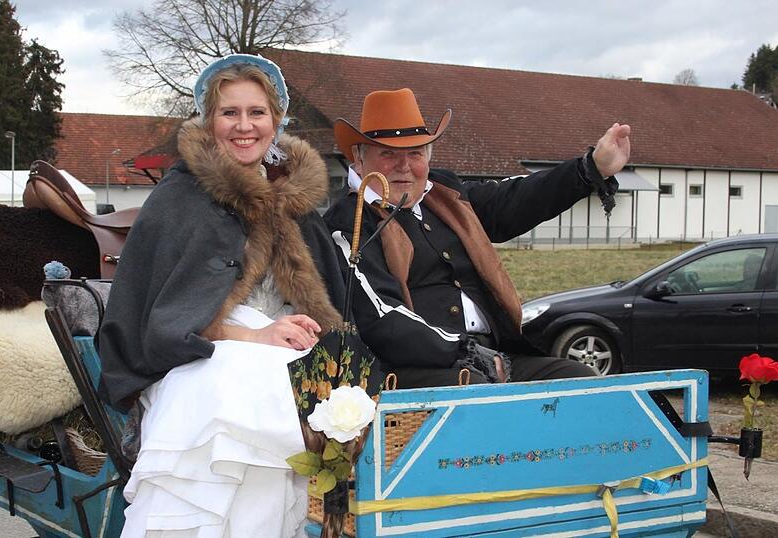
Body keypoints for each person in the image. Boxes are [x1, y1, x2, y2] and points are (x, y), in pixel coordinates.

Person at [98, 54, 345, 537]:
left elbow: (331, 306)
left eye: (257, 113)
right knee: (244, 384)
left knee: (288, 385)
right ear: (209, 121)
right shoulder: (179, 198)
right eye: (229, 112)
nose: (244, 126)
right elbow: (159, 325)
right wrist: (255, 338)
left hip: (282, 359)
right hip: (192, 366)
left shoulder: (293, 202)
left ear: (277, 121)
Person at [324, 88, 631, 388]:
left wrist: (590, 168)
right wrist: (464, 351)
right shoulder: (350, 221)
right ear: (359, 158)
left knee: (578, 381)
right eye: (388, 154)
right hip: (414, 367)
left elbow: (517, 198)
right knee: (475, 391)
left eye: (415, 153)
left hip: (495, 354)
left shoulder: (448, 196)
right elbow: (379, 315)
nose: (404, 166)